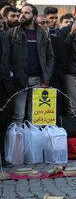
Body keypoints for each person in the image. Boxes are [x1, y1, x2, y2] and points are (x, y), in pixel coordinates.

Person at [7, 4, 54, 122]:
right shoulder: (12, 33)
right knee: (18, 116)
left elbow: (50, 57)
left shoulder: (43, 34)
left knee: (35, 117)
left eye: (27, 13)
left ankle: (32, 140)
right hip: (19, 80)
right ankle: (17, 140)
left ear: (34, 17)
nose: (22, 15)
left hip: (37, 80)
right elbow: (6, 56)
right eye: (22, 12)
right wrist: (12, 75)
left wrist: (46, 76)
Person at [0, 14, 14, 167]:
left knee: (3, 125)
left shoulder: (5, 38)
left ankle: (2, 157)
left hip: (5, 88)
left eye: (1, 26)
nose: (0, 29)